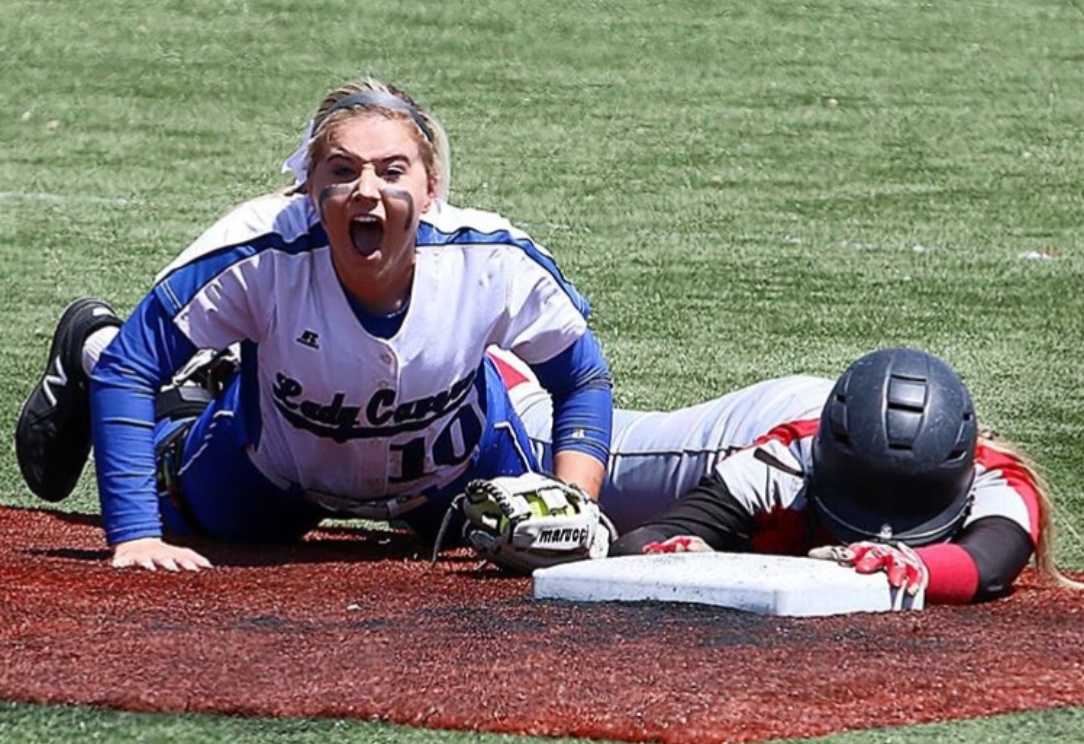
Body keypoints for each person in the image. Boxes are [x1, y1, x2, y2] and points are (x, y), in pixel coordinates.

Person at [14, 77, 613, 573]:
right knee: (191, 502)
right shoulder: (256, 250)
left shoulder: (492, 260)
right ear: (309, 186)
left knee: (520, 550)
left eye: (392, 171)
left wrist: (575, 503)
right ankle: (93, 348)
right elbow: (132, 368)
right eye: (343, 170)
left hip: (456, 476)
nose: (366, 191)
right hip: (274, 472)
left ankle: (211, 372)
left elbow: (582, 376)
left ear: (431, 188)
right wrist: (136, 535)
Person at [488, 347, 1082, 604]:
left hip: (834, 420)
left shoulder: (995, 476)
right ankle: (483, 359)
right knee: (541, 442)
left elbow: (989, 564)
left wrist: (910, 562)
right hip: (750, 431)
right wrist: (680, 554)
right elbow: (640, 540)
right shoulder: (782, 465)